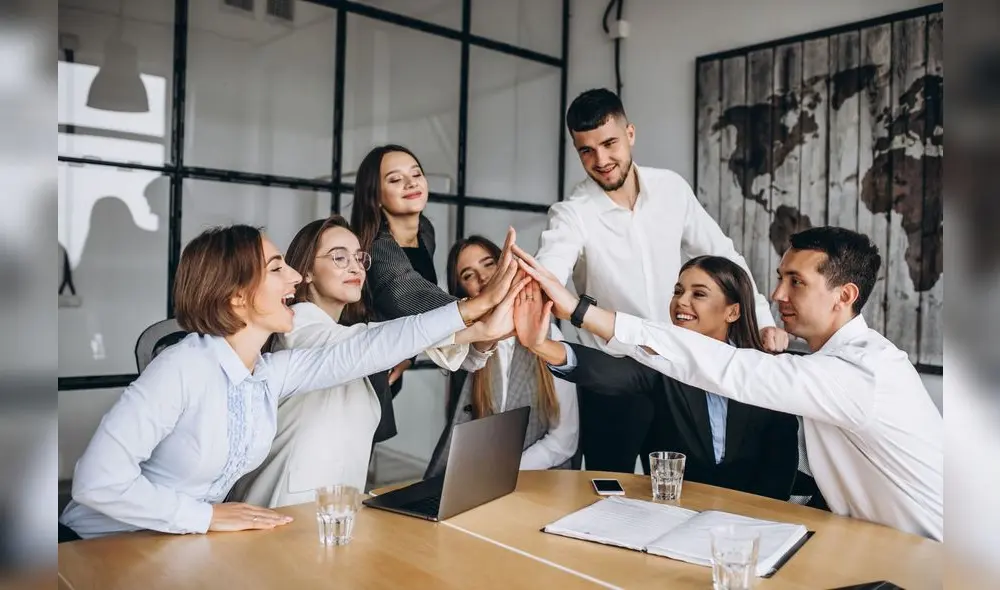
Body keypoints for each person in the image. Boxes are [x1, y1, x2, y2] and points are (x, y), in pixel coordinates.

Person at [59, 224, 523, 539]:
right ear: (238, 295)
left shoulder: (268, 374)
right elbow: (97, 483)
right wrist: (205, 516)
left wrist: (470, 314)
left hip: (176, 543)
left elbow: (365, 349)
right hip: (94, 547)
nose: (296, 277)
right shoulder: (180, 368)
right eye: (278, 267)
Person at [512, 227, 943, 540]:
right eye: (780, 277)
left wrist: (578, 310)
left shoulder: (858, 373)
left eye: (797, 282)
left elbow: (728, 367)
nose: (777, 295)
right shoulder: (833, 363)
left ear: (844, 296)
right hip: (880, 542)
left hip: (931, 557)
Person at [533, 88, 788, 473]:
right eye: (586, 150)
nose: (601, 160)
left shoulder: (672, 188)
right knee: (608, 492)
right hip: (611, 376)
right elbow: (547, 274)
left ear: (630, 133)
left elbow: (726, 256)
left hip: (675, 373)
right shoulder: (572, 214)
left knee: (680, 489)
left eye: (609, 143)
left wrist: (764, 320)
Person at [227, 217, 509, 507]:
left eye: (359, 258)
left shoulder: (352, 334)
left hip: (335, 512)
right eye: (339, 257)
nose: (355, 267)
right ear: (307, 271)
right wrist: (475, 312)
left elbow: (466, 359)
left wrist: (485, 335)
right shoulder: (298, 328)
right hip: (280, 510)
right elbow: (374, 343)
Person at [518, 255, 799, 499]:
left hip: (752, 523)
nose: (681, 302)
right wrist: (541, 345)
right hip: (676, 515)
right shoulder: (664, 362)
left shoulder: (765, 372)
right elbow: (610, 372)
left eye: (698, 294)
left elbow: (779, 467)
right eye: (678, 291)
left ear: (732, 311)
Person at [350, 144, 514, 413]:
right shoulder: (375, 247)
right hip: (359, 369)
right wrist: (484, 305)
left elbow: (414, 306)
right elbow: (408, 294)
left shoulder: (425, 232)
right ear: (376, 196)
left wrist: (409, 356)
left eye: (416, 174)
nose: (410, 183)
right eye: (395, 179)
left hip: (390, 364)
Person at [424, 236, 579, 477]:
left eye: (489, 264)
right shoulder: (467, 349)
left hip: (540, 478)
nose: (483, 278)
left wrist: (503, 470)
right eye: (468, 275)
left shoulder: (549, 336)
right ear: (462, 291)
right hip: (479, 476)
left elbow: (564, 440)